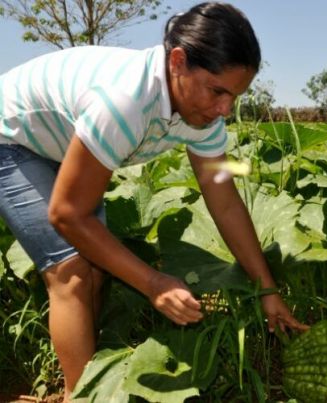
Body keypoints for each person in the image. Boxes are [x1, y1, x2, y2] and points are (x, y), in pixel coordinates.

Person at [0, 2, 308, 400]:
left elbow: (225, 200)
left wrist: (267, 290)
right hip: (12, 137)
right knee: (72, 271)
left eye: (234, 96)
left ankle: (90, 382)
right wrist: (154, 283)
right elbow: (67, 214)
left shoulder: (203, 116)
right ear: (178, 61)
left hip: (60, 139)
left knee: (97, 269)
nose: (224, 109)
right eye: (217, 91)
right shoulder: (126, 102)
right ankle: (84, 396)